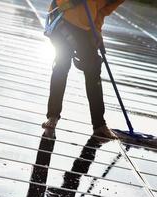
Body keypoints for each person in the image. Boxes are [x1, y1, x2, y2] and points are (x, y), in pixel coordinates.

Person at [42, 0, 124, 139]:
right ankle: (53, 117)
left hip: (85, 27)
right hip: (62, 16)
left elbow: (102, 11)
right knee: (62, 64)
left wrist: (97, 31)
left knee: (93, 69)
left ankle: (99, 125)